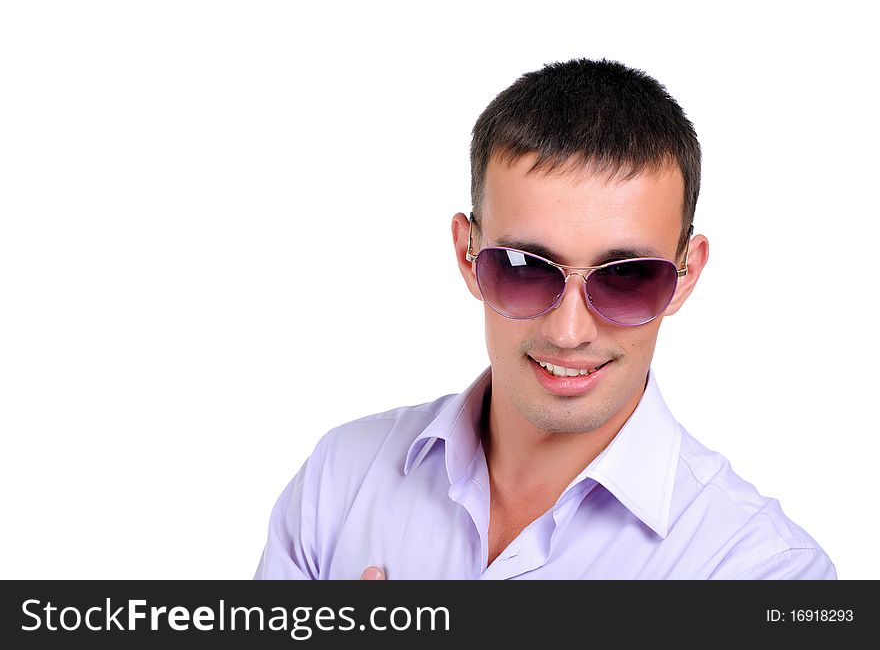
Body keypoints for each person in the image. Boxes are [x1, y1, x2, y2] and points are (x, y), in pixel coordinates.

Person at [254, 58, 836, 580]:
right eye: (525, 268)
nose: (569, 331)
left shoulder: (760, 571)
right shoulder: (340, 482)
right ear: (467, 255)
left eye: (627, 277)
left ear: (686, 275)